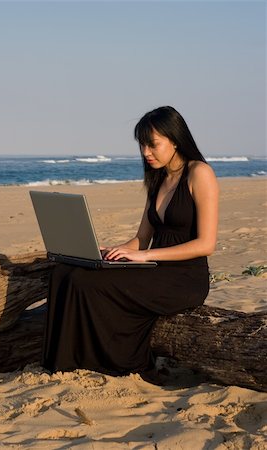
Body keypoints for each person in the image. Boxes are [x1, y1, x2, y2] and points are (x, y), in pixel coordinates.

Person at [42, 106, 219, 385]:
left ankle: (110, 362)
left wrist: (143, 256)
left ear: (175, 139)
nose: (146, 152)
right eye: (142, 145)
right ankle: (61, 361)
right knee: (66, 273)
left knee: (92, 285)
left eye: (153, 144)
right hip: (155, 268)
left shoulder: (200, 173)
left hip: (185, 278)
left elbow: (206, 244)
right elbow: (140, 238)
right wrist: (112, 251)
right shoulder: (157, 178)